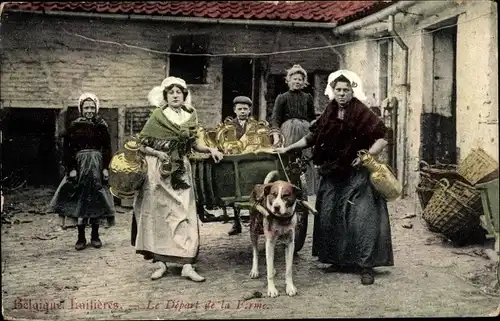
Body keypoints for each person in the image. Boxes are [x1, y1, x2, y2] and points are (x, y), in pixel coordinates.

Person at [275, 70, 394, 285]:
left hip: (356, 173)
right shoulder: (329, 111)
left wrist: (368, 155)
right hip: (332, 172)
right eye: (338, 90)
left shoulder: (361, 111)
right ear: (333, 91)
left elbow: (384, 137)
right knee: (330, 214)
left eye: (345, 90)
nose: (341, 94)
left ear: (352, 91)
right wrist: (289, 148)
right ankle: (339, 260)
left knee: (361, 219)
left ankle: (365, 266)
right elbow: (312, 136)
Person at [131, 76, 223, 282]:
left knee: (185, 212)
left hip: (181, 168)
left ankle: (187, 265)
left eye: (179, 92)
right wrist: (157, 154)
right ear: (165, 96)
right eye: (171, 92)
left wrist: (211, 149)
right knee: (160, 215)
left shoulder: (190, 116)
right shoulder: (157, 116)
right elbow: (142, 144)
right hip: (159, 171)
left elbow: (194, 145)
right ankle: (160, 263)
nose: (175, 96)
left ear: (184, 96)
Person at [49, 93, 116, 250]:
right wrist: (71, 169)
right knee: (80, 199)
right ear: (81, 109)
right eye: (86, 107)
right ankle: (80, 237)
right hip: (80, 166)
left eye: (92, 107)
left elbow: (107, 149)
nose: (89, 110)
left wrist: (106, 167)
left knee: (97, 198)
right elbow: (67, 150)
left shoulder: (102, 126)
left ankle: (95, 235)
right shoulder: (74, 126)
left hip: (97, 166)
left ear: (96, 109)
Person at [270, 64, 317, 197]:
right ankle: (286, 190)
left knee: (306, 160)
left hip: (305, 131)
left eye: (300, 79)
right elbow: (275, 119)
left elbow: (312, 117)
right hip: (288, 131)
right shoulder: (282, 97)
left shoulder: (308, 97)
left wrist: (315, 129)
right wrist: (276, 135)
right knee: (288, 159)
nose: (297, 82)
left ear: (304, 82)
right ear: (288, 80)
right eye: (294, 79)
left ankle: (307, 191)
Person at [225, 96, 253, 235]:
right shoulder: (229, 126)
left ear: (249, 110)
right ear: (235, 110)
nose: (242, 111)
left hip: (249, 160)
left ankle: (254, 220)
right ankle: (236, 222)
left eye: (245, 109)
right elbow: (226, 142)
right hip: (234, 160)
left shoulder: (254, 125)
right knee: (233, 190)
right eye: (240, 109)